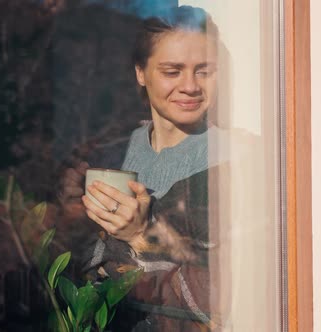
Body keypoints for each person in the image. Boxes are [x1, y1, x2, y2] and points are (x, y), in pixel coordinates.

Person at [58, 6, 231, 331]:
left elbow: (218, 299)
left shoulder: (235, 161)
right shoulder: (110, 155)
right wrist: (70, 215)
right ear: (141, 72)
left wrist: (139, 235)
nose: (190, 86)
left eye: (204, 71)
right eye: (172, 71)